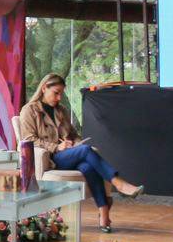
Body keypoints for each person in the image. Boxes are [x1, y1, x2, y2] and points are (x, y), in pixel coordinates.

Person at [19, 73, 143, 232]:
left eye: (61, 94)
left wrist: (74, 143)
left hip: (67, 155)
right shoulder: (29, 110)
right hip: (50, 158)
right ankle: (119, 183)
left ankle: (103, 212)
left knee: (87, 167)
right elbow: (29, 139)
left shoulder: (61, 110)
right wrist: (56, 147)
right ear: (44, 88)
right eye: (55, 93)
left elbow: (73, 134)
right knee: (86, 151)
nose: (58, 97)